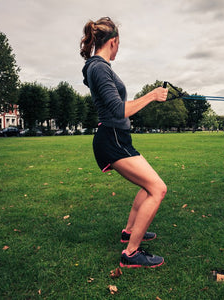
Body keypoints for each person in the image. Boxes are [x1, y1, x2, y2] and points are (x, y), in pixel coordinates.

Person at [80, 17, 168, 268]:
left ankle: (129, 232)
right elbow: (119, 110)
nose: (119, 48)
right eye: (119, 44)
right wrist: (152, 95)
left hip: (118, 138)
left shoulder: (98, 67)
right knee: (157, 189)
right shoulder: (98, 68)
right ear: (114, 41)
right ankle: (131, 253)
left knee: (149, 184)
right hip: (113, 138)